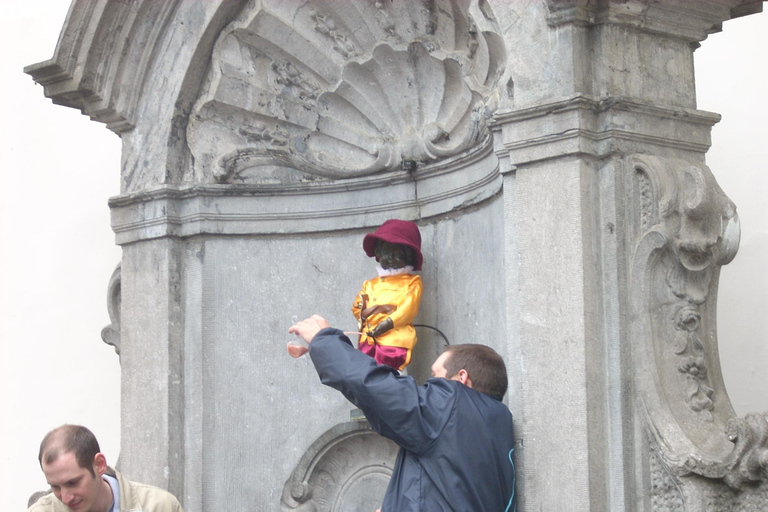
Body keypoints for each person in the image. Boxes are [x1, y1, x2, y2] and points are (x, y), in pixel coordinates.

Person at [289, 315, 516, 512]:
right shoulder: (498, 425)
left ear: (461, 378)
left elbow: (374, 386)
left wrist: (324, 340)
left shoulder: (450, 406)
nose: (428, 386)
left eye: (435, 376)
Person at [28, 424, 183, 512]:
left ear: (99, 464)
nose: (66, 497)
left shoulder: (160, 506)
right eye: (55, 487)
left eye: (73, 483)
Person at [352, 219, 424, 370]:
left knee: (386, 376)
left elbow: (407, 309)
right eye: (386, 253)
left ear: (407, 256)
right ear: (378, 253)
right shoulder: (370, 284)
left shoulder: (411, 283)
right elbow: (359, 303)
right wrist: (363, 313)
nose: (390, 258)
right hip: (368, 340)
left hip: (393, 343)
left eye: (396, 254)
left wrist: (388, 323)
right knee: (366, 373)